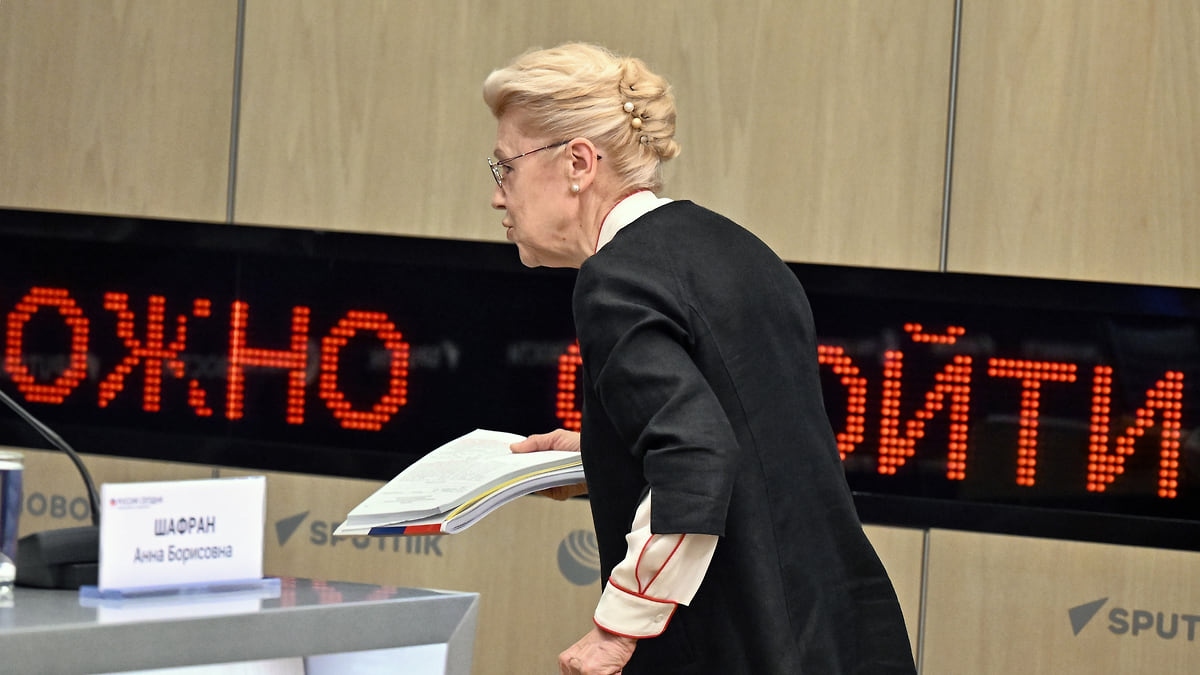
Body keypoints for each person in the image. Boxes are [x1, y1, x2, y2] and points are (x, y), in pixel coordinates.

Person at [483, 43, 915, 675]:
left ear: (578, 163)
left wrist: (618, 628)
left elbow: (697, 454)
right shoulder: (739, 248)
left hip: (746, 643)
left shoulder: (614, 280)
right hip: (844, 633)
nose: (499, 197)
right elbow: (751, 438)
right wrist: (602, 453)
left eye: (505, 168)